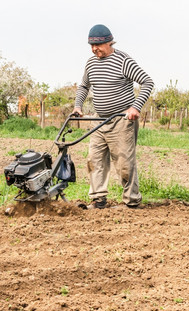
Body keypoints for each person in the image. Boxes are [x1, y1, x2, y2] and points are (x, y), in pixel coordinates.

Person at [73, 24, 154, 209]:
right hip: (99, 119)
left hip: (122, 119)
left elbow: (147, 82)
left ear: (109, 42)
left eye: (98, 45)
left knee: (124, 162)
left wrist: (135, 106)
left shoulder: (123, 60)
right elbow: (84, 86)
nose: (94, 49)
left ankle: (131, 201)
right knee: (94, 160)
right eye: (91, 46)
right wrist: (78, 105)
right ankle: (98, 199)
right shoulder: (91, 63)